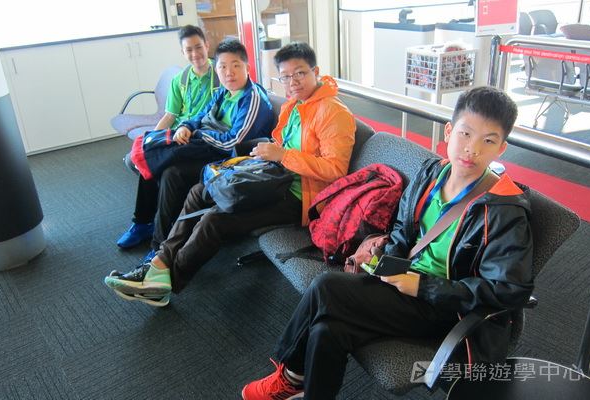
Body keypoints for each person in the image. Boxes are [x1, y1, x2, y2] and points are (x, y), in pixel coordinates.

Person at [241, 86, 534, 400]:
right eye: (465, 134)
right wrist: (387, 262)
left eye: (488, 141)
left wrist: (422, 286)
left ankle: (290, 376)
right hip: (404, 285)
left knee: (326, 287)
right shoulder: (432, 174)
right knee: (328, 328)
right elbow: (402, 230)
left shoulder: (504, 210)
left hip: (446, 308)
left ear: (501, 148)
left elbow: (508, 291)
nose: (472, 149)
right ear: (449, 132)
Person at [104, 42, 356, 307]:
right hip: (274, 179)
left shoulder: (333, 112)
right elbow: (284, 145)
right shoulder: (295, 105)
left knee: (215, 220)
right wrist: (267, 155)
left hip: (301, 198)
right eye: (285, 76)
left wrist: (282, 155)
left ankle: (164, 282)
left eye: (300, 73)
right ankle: (159, 261)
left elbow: (335, 170)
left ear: (315, 71)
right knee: (200, 191)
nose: (292, 82)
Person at [117, 37, 274, 264]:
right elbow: (200, 116)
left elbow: (234, 142)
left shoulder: (252, 99)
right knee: (156, 157)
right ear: (217, 69)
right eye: (222, 67)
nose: (229, 73)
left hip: (233, 160)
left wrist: (198, 134)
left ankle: (160, 246)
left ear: (247, 67)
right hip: (209, 148)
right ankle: (142, 222)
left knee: (172, 172)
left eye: (235, 66)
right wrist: (186, 127)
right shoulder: (223, 92)